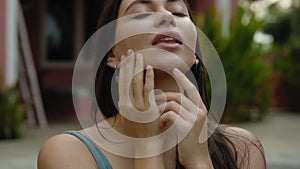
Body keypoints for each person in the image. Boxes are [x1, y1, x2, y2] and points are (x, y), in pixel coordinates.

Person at [37, 0, 266, 168]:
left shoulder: (242, 149)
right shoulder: (68, 153)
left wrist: (200, 162)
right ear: (111, 55)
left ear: (196, 53)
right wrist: (148, 145)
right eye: (139, 13)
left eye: (177, 11)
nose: (167, 17)